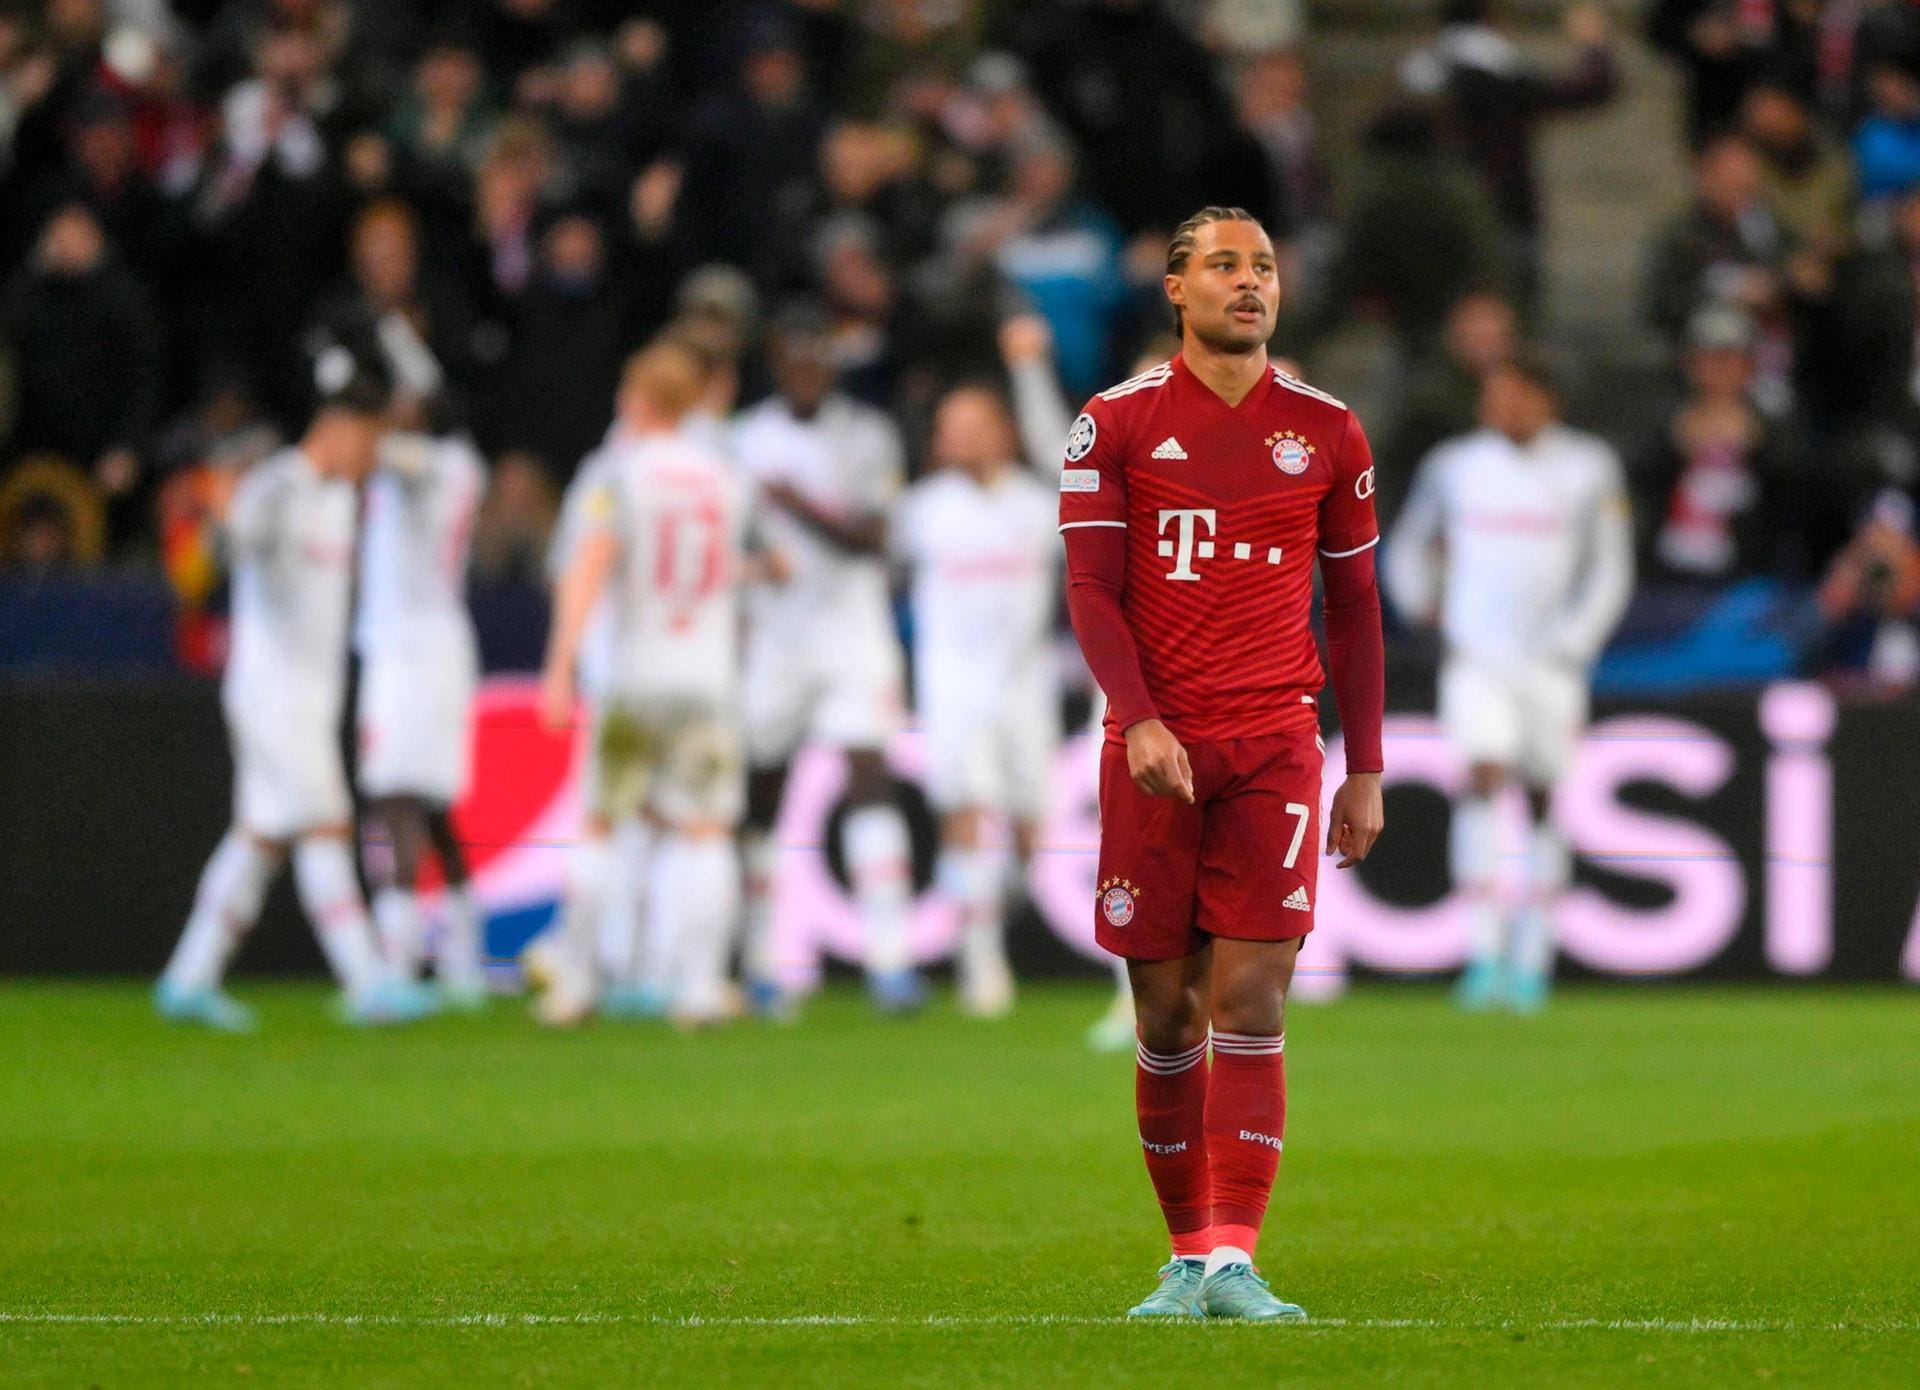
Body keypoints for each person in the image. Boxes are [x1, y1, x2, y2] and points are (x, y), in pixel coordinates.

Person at [1060, 207, 1386, 1321]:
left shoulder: (1330, 431)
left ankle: (1234, 1257)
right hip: (1152, 750)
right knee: (1165, 1013)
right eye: (1225, 266)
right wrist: (1139, 717)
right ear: (1175, 289)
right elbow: (1092, 591)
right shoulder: (1113, 424)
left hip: (1276, 744)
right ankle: (1184, 1251)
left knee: (1252, 993)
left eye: (1264, 267)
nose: (1250, 284)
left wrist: (1367, 765)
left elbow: (1355, 609)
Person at [155, 352, 434, 1029]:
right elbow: (219, 556)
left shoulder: (343, 497)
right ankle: (368, 981)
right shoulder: (277, 486)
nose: (374, 457)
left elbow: (423, 465)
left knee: (261, 838)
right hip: (272, 693)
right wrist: (220, 507)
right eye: (367, 441)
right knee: (325, 825)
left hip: (312, 695)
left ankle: (188, 978)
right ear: (338, 430)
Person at [1383, 351, 1633, 1013]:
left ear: (1545, 400)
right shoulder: (1454, 466)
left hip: (1551, 664)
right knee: (1482, 778)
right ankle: (1484, 952)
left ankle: (1534, 956)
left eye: (1514, 396)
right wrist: (1420, 604)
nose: (1499, 408)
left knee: (1545, 795)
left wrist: (1574, 644)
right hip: (1476, 659)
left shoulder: (1589, 467)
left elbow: (1610, 569)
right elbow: (1408, 545)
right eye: (1493, 397)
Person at [533, 342, 753, 1028]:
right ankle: (698, 988)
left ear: (640, 401)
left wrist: (560, 666)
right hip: (708, 676)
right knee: (707, 828)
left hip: (635, 675)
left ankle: (574, 985)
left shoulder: (619, 475)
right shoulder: (726, 477)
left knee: (602, 820)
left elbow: (589, 567)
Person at [733, 302, 916, 1014]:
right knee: (761, 792)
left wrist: (798, 504)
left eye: (818, 359)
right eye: (794, 358)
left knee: (868, 776)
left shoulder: (866, 435)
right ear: (777, 363)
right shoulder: (743, 438)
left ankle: (891, 960)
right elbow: (729, 536)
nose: (806, 371)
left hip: (851, 634)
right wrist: (753, 562)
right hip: (775, 639)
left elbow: (873, 536)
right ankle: (760, 957)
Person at [893, 382, 1062, 1017]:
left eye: (970, 424)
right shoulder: (922, 510)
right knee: (968, 814)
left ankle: (984, 903)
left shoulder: (1040, 507)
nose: (957, 438)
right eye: (948, 425)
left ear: (1004, 432)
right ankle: (980, 958)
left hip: (1027, 686)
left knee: (1029, 834)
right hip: (953, 687)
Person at [354, 408, 488, 1008]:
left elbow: (380, 452)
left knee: (394, 798)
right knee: (433, 809)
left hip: (410, 653)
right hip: (432, 647)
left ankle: (396, 964)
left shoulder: (433, 463)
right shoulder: (457, 465)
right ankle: (464, 964)